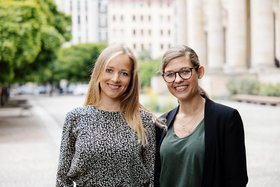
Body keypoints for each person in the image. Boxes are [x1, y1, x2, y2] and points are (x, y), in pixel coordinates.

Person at [56, 44, 156, 187]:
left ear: (131, 80)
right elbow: (62, 178)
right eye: (109, 70)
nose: (115, 79)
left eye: (124, 73)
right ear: (98, 72)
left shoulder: (143, 120)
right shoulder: (76, 118)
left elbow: (151, 177)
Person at [155, 45, 248, 187]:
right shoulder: (161, 123)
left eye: (185, 71)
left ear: (200, 72)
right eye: (170, 74)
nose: (178, 79)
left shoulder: (226, 119)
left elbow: (236, 180)